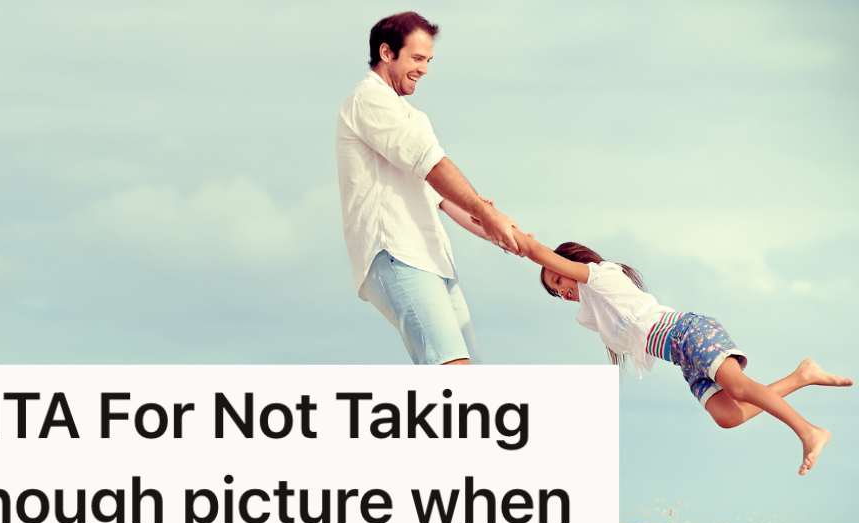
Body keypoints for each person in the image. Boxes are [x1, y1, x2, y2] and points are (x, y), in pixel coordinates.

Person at [516, 233, 851, 475]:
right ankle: (803, 376)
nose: (561, 290)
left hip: (689, 333)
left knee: (739, 388)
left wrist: (508, 233)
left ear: (573, 263)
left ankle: (810, 432)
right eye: (555, 291)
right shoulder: (594, 310)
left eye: (559, 279)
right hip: (682, 358)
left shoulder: (601, 275)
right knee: (728, 416)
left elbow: (537, 252)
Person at [336, 12, 529, 365]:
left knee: (470, 376)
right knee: (450, 368)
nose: (424, 69)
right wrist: (487, 213)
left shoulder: (414, 117)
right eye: (417, 58)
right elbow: (432, 165)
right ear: (386, 52)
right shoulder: (369, 99)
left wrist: (502, 233)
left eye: (428, 60)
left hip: (433, 260)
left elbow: (444, 198)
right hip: (396, 253)